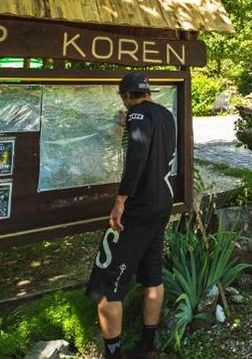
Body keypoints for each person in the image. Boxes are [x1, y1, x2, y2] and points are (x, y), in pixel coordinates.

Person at [87, 72, 177, 359]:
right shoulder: (165, 114)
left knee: (106, 284)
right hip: (162, 203)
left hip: (138, 208)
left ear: (126, 96)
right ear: (148, 92)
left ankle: (113, 354)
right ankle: (148, 346)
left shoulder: (137, 115)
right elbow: (154, 145)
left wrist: (120, 199)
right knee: (152, 276)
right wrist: (129, 124)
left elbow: (138, 156)